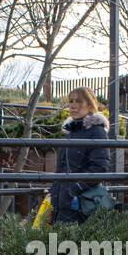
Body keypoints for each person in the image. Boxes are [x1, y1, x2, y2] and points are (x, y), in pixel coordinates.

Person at [50, 87, 112, 224]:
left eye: (78, 101)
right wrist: (54, 192)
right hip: (63, 201)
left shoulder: (97, 132)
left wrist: (74, 189)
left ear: (90, 105)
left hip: (82, 204)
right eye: (71, 101)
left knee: (77, 243)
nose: (72, 105)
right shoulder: (71, 131)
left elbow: (101, 167)